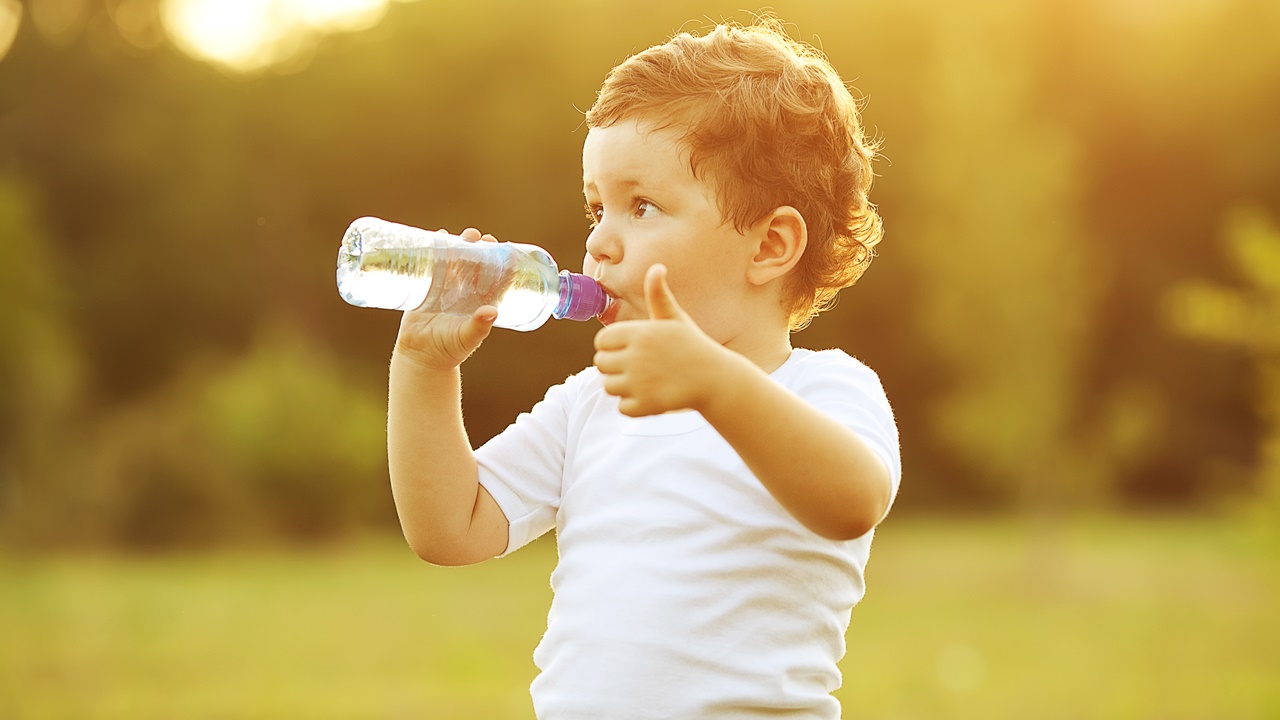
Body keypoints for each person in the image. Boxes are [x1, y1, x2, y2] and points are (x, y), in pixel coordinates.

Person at [386, 16, 900, 719]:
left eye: (643, 206)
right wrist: (424, 367)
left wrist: (714, 384)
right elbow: (452, 528)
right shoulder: (592, 402)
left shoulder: (824, 389)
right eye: (597, 207)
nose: (598, 241)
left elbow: (853, 502)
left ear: (769, 246)